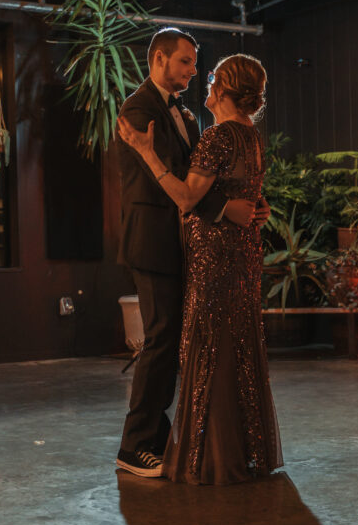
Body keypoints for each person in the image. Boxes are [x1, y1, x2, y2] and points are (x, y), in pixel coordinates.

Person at [118, 53, 282, 485]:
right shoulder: (250, 136)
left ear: (226, 88)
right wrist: (245, 207)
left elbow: (189, 197)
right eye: (189, 63)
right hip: (238, 251)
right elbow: (237, 189)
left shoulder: (215, 135)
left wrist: (146, 153)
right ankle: (234, 445)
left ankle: (204, 449)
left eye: (209, 75)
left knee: (208, 348)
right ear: (158, 58)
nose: (201, 78)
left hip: (215, 255)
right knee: (233, 346)